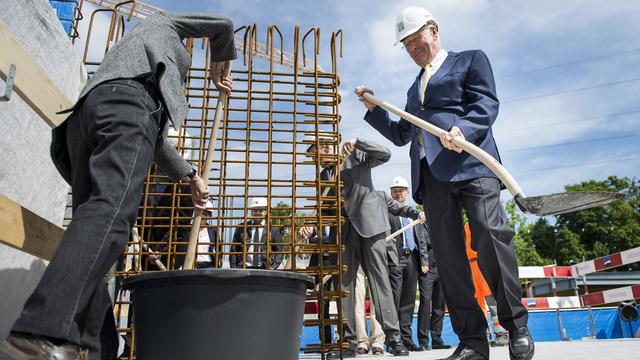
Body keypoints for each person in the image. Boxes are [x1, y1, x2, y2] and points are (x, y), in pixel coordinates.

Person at [0, 11, 236, 360]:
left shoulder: (117, 70)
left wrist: (188, 175)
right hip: (128, 105)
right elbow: (223, 24)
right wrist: (220, 59)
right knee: (111, 213)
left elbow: (150, 137)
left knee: (96, 230)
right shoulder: (162, 26)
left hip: (84, 121)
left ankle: (93, 348)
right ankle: (42, 329)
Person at [355, 6, 534, 360]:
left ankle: (517, 327)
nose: (412, 48)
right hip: (431, 178)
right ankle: (472, 341)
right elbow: (402, 134)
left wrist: (461, 129)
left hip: (472, 165)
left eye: (415, 39)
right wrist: (374, 108)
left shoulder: (469, 61)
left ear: (433, 31)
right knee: (449, 259)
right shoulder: (412, 90)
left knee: (488, 235)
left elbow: (485, 103)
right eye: (405, 45)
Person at [326, 138, 425, 359]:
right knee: (345, 289)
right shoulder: (324, 175)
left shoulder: (358, 157)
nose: (325, 149)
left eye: (328, 144)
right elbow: (324, 208)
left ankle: (394, 339)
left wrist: (359, 142)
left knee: (380, 284)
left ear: (337, 144)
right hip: (343, 232)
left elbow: (385, 153)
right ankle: (348, 342)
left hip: (370, 227)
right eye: (320, 147)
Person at [230, 197, 284, 269]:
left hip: (265, 269)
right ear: (251, 211)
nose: (257, 213)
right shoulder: (241, 228)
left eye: (261, 211)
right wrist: (234, 269)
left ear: (265, 212)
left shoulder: (273, 230)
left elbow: (279, 251)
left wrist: (272, 268)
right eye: (255, 211)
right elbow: (234, 250)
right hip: (245, 268)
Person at [354, 266, 385, 355]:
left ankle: (377, 341)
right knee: (357, 299)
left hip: (375, 254)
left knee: (377, 298)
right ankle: (362, 342)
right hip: (356, 257)